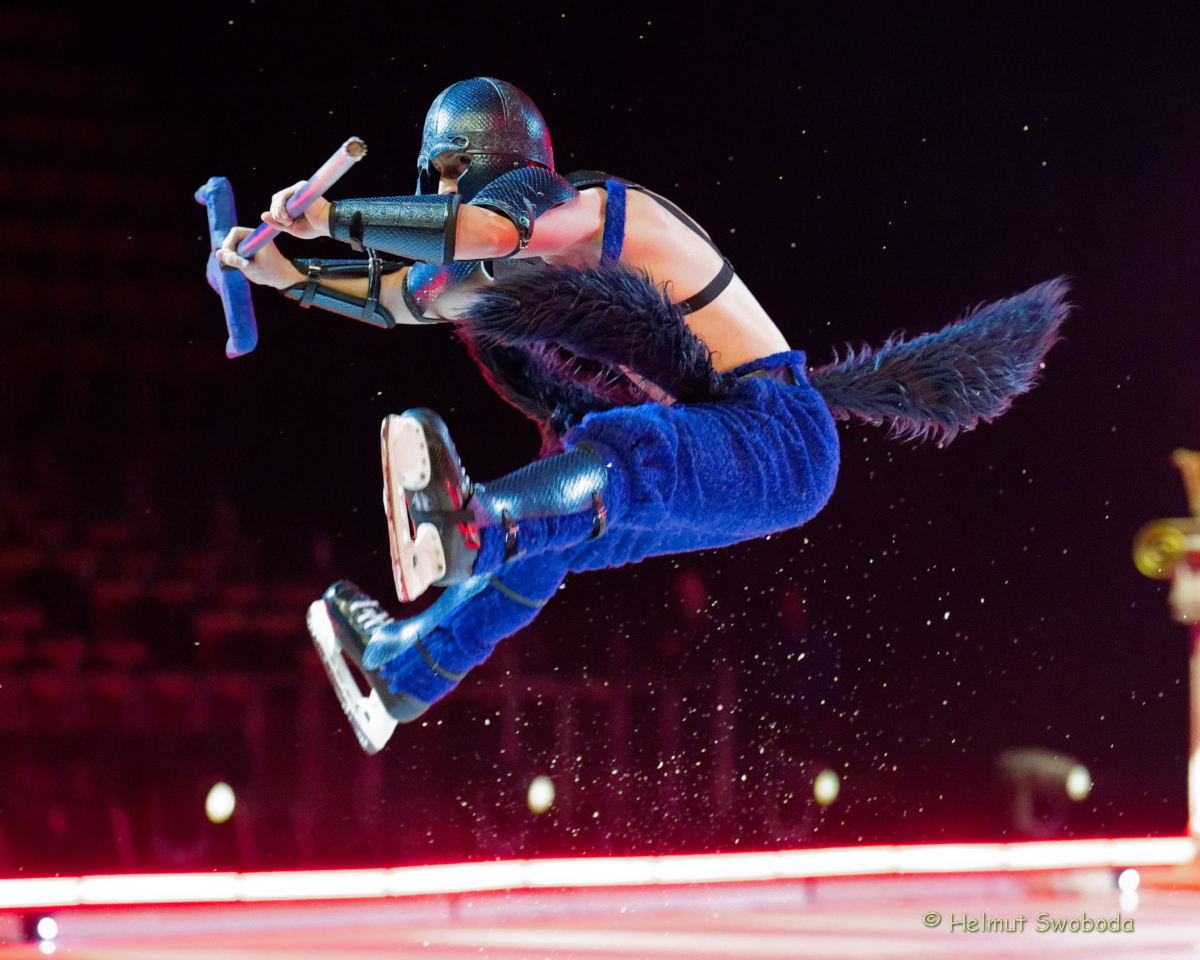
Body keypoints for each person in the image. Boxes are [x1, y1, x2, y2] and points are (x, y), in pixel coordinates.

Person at [217, 78, 1067, 751]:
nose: (439, 194)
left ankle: (473, 525)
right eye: (432, 179)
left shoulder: (598, 213)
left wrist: (334, 217)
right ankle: (411, 669)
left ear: (507, 170)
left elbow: (481, 234)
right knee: (558, 530)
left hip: (780, 434)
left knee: (626, 450)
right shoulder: (513, 256)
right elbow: (405, 295)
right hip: (736, 448)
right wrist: (286, 274)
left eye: (451, 174)